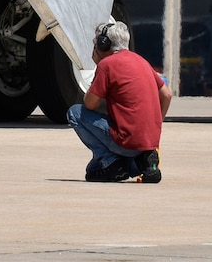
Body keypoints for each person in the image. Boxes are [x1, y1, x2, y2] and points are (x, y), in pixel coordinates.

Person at [66, 20, 172, 182]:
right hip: (150, 140)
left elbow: (90, 104)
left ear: (103, 45)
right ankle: (141, 162)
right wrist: (157, 123)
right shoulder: (141, 61)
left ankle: (112, 162)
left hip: (126, 141)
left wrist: (98, 66)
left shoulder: (107, 65)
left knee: (74, 113)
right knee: (92, 170)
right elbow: (167, 94)